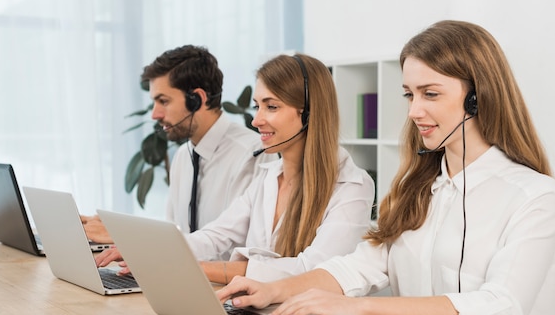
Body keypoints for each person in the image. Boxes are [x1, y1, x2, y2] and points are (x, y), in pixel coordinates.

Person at [216, 20, 555, 315]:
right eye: (409, 95)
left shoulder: (534, 196)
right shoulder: (418, 189)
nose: (414, 111)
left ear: (477, 98)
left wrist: (360, 308)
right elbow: (358, 267)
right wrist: (273, 290)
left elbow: (499, 311)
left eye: (430, 94)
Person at [97, 53, 376, 284]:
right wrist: (147, 252)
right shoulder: (268, 178)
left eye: (271, 107)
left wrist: (191, 268)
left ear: (310, 113)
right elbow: (216, 236)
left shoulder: (352, 186)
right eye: (258, 106)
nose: (256, 121)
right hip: (257, 311)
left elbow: (314, 271)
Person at [82, 45, 273, 244]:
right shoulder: (184, 155)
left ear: (197, 99)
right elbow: (175, 235)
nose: (155, 114)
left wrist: (125, 236)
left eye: (163, 101)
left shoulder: (251, 154)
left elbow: (234, 247)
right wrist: (118, 230)